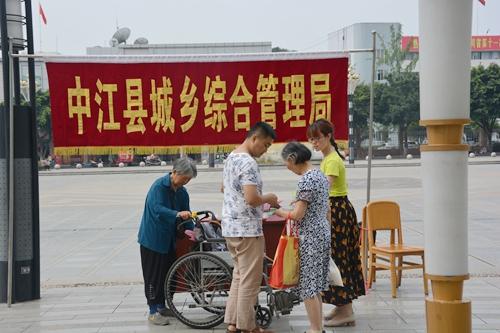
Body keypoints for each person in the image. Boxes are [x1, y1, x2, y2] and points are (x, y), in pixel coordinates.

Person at [222, 122, 280, 333]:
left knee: (239, 276)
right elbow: (252, 198)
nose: (265, 150)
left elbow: (224, 188)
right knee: (250, 281)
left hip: (230, 227)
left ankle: (233, 322)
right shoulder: (248, 163)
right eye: (265, 145)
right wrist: (270, 199)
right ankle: (248, 326)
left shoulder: (231, 158)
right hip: (247, 229)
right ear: (254, 138)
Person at [307, 119, 365, 327]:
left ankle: (346, 309)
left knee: (338, 259)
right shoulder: (328, 158)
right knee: (339, 258)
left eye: (318, 138)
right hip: (337, 209)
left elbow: (324, 188)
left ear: (328, 136)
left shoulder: (331, 160)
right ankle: (342, 306)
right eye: (312, 139)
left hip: (337, 212)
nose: (314, 143)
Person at [274, 141, 330, 333]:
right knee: (315, 286)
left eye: (286, 163)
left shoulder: (306, 180)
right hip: (322, 231)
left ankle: (315, 329)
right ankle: (318, 328)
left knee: (308, 287)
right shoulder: (320, 175)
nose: (286, 167)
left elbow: (298, 214)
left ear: (292, 158)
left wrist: (278, 211)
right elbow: (325, 208)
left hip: (310, 236)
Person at [137, 157, 197, 325]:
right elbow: (157, 209)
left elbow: (187, 213)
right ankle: (153, 310)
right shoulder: (159, 187)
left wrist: (191, 230)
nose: (186, 181)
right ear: (175, 172)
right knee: (153, 276)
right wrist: (177, 214)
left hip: (170, 239)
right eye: (185, 177)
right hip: (153, 239)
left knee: (169, 274)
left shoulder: (182, 191)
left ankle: (163, 305)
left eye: (189, 179)